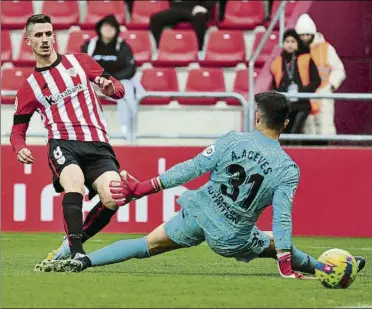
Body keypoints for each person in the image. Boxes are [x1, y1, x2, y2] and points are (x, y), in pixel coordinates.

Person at [34, 91, 366, 276]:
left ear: (257, 117)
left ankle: (84, 259)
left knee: (145, 245)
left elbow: (192, 168)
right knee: (277, 243)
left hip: (199, 211)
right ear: (288, 122)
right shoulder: (288, 168)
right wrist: (283, 261)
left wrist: (145, 187)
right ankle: (326, 267)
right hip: (232, 236)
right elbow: (282, 218)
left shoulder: (233, 139)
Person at [10, 14, 126, 261]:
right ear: (28, 40)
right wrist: (19, 147)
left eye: (48, 34)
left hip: (97, 143)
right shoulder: (29, 87)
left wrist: (111, 88)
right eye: (38, 35)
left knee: (114, 198)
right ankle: (77, 254)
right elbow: (17, 130)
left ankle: (73, 241)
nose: (45, 39)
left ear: (54, 36)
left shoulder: (80, 62)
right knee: (74, 183)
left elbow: (118, 88)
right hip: (63, 143)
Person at [81, 14, 137, 137]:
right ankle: (85, 130)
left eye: (111, 27)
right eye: (105, 26)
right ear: (99, 29)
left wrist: (111, 79)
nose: (108, 29)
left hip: (116, 82)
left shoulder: (123, 46)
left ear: (116, 30)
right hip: (93, 82)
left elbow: (131, 69)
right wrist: (97, 79)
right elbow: (80, 64)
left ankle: (125, 129)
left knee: (126, 91)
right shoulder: (90, 45)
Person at [295, 13, 346, 135]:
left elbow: (339, 70)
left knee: (325, 130)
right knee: (307, 132)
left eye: (308, 35)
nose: (305, 38)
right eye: (302, 35)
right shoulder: (296, 51)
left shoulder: (326, 48)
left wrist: (330, 86)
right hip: (304, 96)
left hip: (323, 95)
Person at [271, 29, 321, 134]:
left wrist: (302, 91)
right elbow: (275, 86)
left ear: (297, 44)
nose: (290, 45)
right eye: (287, 42)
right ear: (283, 44)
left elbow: (316, 81)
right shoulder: (276, 62)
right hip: (285, 105)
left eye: (293, 42)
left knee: (295, 132)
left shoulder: (306, 59)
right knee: (284, 134)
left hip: (302, 104)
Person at [150, 0, 216, 60]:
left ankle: (199, 50)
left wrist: (204, 7)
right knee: (155, 19)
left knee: (200, 17)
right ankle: (161, 48)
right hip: (176, 9)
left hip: (195, 8)